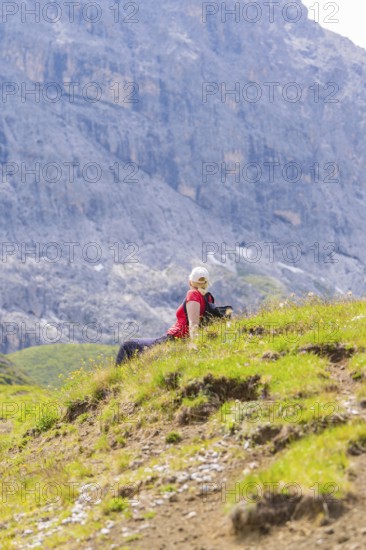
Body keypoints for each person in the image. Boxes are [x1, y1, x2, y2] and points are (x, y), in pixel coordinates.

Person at [115, 266, 213, 365]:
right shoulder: (208, 298)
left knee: (127, 345)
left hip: (172, 339)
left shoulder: (193, 294)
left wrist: (195, 345)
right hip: (178, 340)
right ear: (207, 283)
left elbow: (193, 322)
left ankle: (115, 378)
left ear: (190, 282)